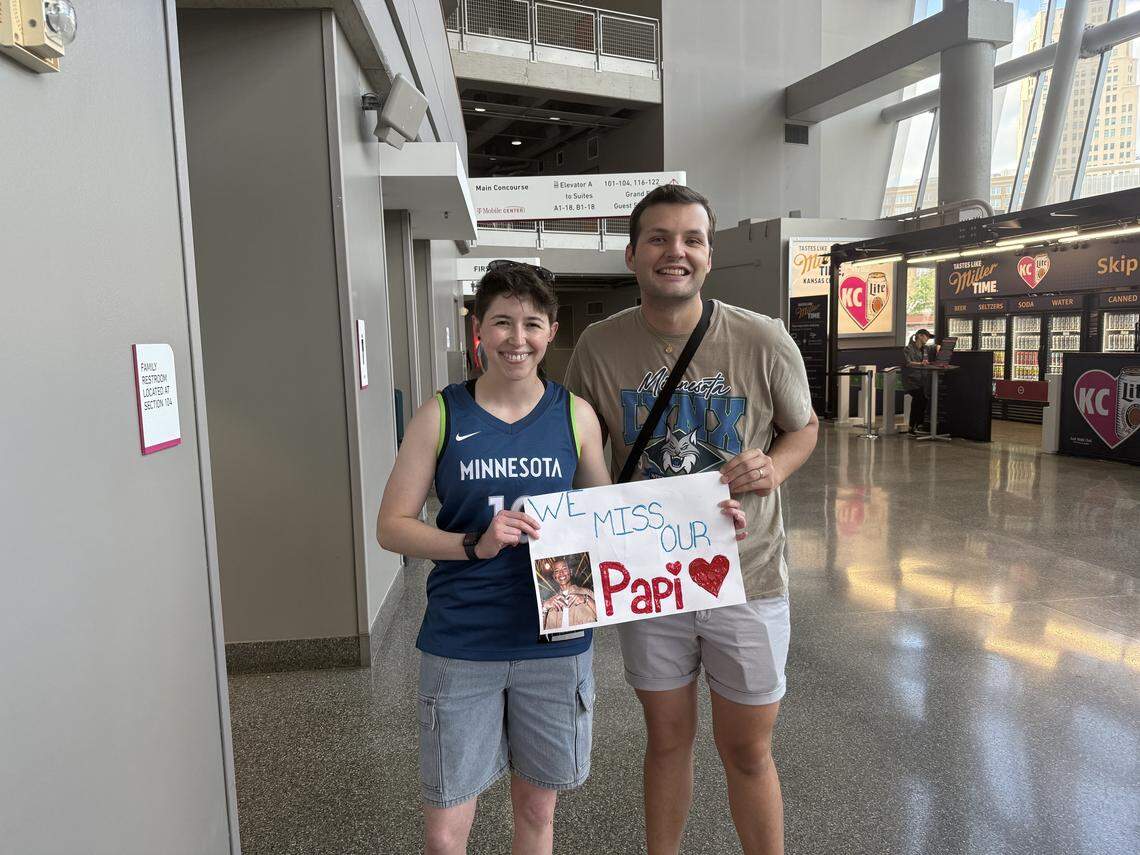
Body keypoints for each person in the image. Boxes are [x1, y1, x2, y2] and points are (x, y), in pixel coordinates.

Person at [564, 184, 819, 855]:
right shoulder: (598, 346)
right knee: (667, 739)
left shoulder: (762, 339)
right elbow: (582, 454)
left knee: (748, 749)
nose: (675, 251)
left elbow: (804, 428)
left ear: (710, 256)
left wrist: (775, 468)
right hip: (651, 578)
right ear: (632, 253)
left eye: (691, 239)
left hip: (749, 574)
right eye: (658, 238)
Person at [377, 261, 612, 855]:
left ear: (551, 332)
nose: (517, 338)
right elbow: (392, 527)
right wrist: (471, 544)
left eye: (531, 323)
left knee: (536, 813)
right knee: (444, 829)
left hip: (556, 639)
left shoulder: (574, 414)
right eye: (501, 322)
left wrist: (705, 522)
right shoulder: (441, 414)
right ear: (477, 329)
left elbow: (610, 521)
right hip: (464, 640)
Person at [540, 556, 597, 630]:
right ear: (554, 576)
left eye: (564, 569)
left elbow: (605, 616)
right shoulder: (551, 603)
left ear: (570, 572)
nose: (561, 573)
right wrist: (544, 607)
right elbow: (542, 631)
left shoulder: (586, 592)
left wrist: (586, 599)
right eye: (557, 571)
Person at [902, 328, 934, 435]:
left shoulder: (926, 349)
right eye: (926, 336)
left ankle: (916, 426)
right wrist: (921, 364)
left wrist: (939, 347)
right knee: (919, 399)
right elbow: (908, 363)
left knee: (922, 400)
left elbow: (936, 347)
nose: (928, 339)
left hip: (922, 381)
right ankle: (913, 426)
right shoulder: (908, 349)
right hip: (911, 381)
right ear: (919, 336)